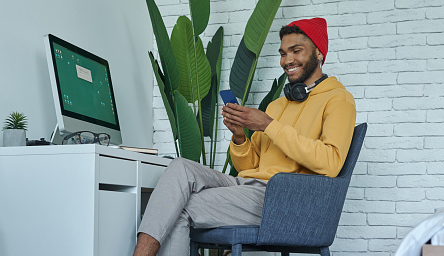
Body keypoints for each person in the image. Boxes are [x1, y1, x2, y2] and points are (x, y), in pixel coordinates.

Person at [133, 17, 356, 256]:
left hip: (283, 199)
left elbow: (331, 163)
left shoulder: (338, 99)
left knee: (177, 208)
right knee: (180, 167)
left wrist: (269, 125)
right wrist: (240, 137)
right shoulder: (277, 105)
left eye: (296, 51)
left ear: (319, 54)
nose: (287, 60)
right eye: (283, 53)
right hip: (248, 188)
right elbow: (249, 167)